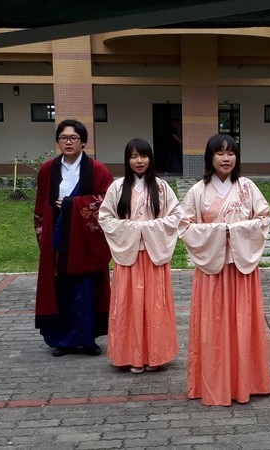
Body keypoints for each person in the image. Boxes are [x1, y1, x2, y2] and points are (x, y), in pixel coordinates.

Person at [178, 133, 270, 406]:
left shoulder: (248, 188)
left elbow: (263, 218)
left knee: (244, 323)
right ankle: (213, 382)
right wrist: (223, 232)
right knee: (213, 326)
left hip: (241, 267)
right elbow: (184, 226)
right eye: (219, 153)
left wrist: (232, 231)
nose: (226, 158)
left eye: (231, 152)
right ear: (210, 157)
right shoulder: (197, 191)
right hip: (212, 270)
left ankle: (248, 381)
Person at [98, 138, 181, 373]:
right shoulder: (117, 188)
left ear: (150, 159)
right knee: (129, 305)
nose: (139, 161)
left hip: (154, 256)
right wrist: (135, 228)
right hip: (129, 257)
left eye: (143, 156)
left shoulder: (162, 188)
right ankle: (132, 356)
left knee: (155, 306)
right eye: (133, 156)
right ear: (127, 160)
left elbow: (176, 216)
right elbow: (105, 218)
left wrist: (147, 228)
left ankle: (156, 356)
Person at [34, 119, 114, 357]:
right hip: (58, 234)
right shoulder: (48, 169)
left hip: (85, 239)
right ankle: (63, 339)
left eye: (73, 138)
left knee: (87, 287)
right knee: (61, 286)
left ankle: (87, 339)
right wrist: (44, 234)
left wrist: (73, 204)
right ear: (57, 141)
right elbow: (40, 206)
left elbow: (108, 202)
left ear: (84, 142)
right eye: (63, 138)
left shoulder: (97, 169)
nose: (68, 142)